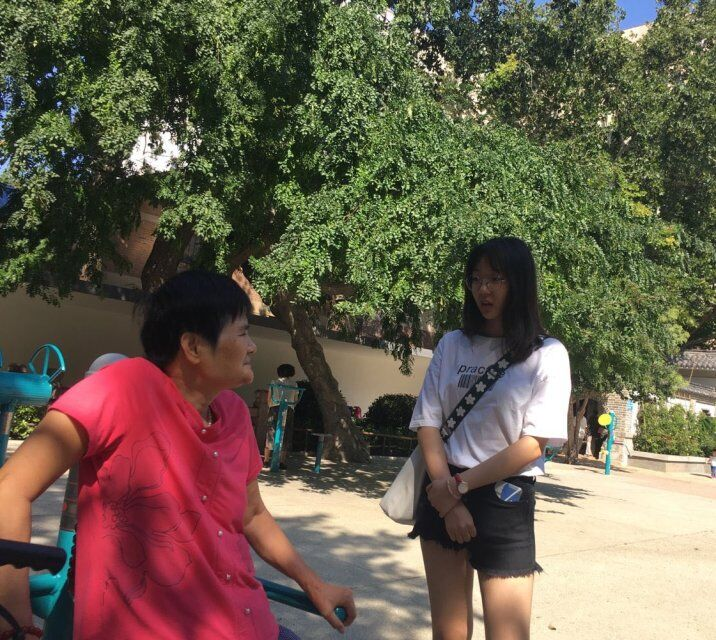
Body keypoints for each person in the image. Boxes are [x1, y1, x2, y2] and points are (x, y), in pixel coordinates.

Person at [0, 271, 356, 640]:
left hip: (250, 624)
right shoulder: (122, 389)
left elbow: (252, 514)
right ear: (193, 346)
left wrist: (315, 584)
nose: (252, 347)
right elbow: (11, 488)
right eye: (242, 333)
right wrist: (14, 618)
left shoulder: (234, 413)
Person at [408, 237, 571, 640]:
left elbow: (533, 444)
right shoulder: (452, 344)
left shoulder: (547, 354)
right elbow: (428, 422)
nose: (484, 289)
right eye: (476, 279)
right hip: (442, 487)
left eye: (496, 278)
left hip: (503, 498)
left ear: (519, 282)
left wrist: (457, 489)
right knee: (448, 633)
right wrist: (447, 498)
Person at [263, 364, 300, 468]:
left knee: (271, 432)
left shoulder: (274, 382)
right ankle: (282, 461)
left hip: (275, 408)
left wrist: (269, 407)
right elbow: (295, 399)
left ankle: (266, 460)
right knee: (286, 433)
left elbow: (269, 398)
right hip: (288, 409)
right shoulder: (294, 384)